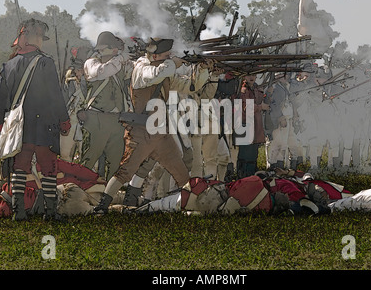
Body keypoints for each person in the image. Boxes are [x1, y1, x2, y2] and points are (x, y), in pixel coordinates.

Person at [94, 37, 212, 214]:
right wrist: (173, 63)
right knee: (125, 171)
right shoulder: (141, 68)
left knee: (181, 172)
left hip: (161, 133)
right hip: (142, 133)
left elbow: (190, 86)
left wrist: (203, 70)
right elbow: (154, 74)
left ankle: (192, 203)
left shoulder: (164, 70)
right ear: (155, 56)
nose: (169, 56)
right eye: (166, 55)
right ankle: (101, 207)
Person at [0, 18, 71, 221]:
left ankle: (19, 212)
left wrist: (4, 125)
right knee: (48, 169)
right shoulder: (45, 62)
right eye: (40, 36)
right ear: (33, 37)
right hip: (44, 125)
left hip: (20, 127)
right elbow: (55, 95)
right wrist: (64, 120)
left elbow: (0, 98)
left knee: (20, 168)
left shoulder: (9, 65)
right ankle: (50, 212)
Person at [79, 32, 134, 180]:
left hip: (117, 120)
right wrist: (121, 59)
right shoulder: (91, 63)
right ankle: (78, 191)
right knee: (88, 159)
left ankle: (108, 196)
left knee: (116, 161)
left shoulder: (121, 65)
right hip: (96, 118)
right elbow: (103, 72)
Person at [236, 74, 270, 178]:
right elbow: (247, 108)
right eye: (249, 75)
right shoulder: (242, 90)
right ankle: (244, 180)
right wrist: (261, 107)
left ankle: (251, 180)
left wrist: (268, 94)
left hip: (255, 126)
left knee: (252, 156)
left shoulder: (256, 88)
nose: (252, 77)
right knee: (245, 157)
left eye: (254, 75)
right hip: (244, 125)